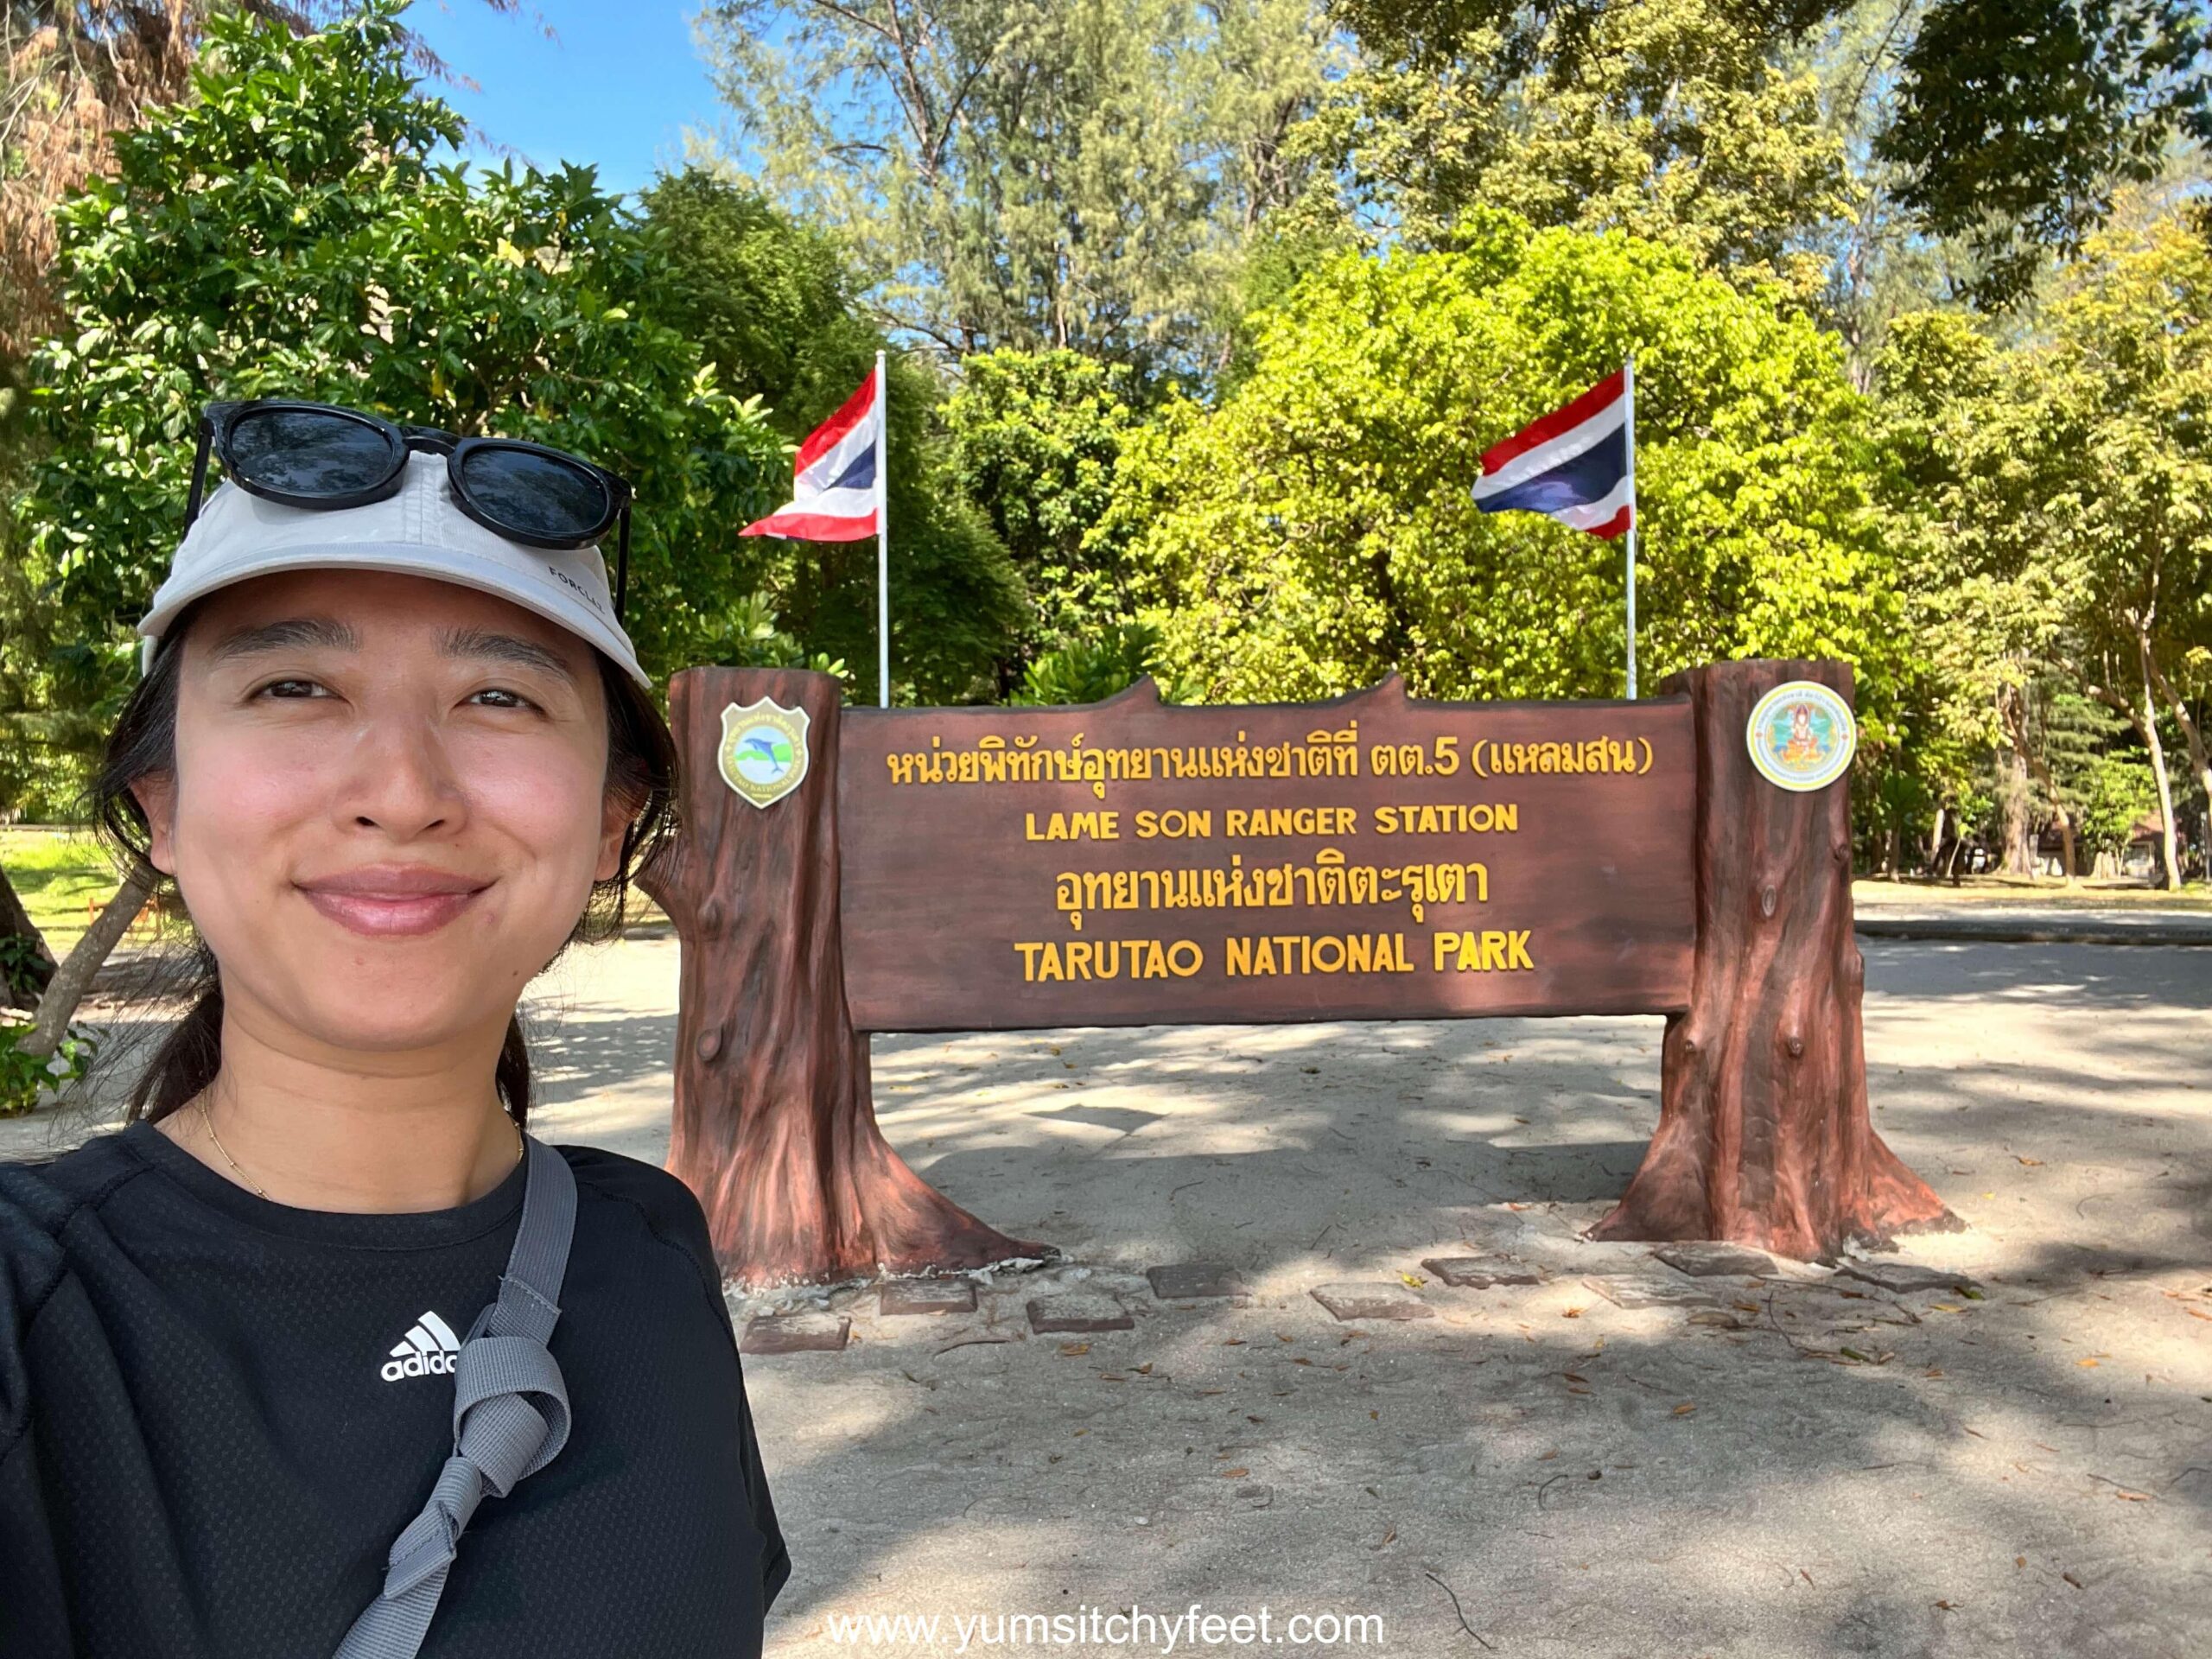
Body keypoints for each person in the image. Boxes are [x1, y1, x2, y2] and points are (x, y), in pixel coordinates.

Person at [0, 400, 790, 1656]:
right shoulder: (32, 1313)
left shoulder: (646, 1251)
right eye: (295, 685)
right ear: (161, 803)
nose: (404, 793)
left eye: (498, 697)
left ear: (606, 823)